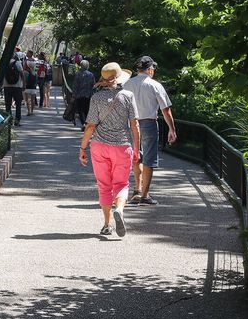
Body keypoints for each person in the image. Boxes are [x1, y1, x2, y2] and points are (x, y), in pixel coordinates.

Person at [79, 62, 140, 237]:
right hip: (122, 146)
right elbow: (134, 125)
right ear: (120, 78)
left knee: (104, 186)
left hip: (99, 146)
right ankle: (119, 210)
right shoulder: (128, 96)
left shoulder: (96, 98)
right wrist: (136, 148)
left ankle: (107, 225)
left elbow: (90, 126)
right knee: (121, 184)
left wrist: (83, 148)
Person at [123, 56, 177, 205]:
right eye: (153, 68)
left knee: (136, 156)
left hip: (131, 124)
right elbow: (166, 110)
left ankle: (137, 189)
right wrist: (172, 130)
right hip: (149, 124)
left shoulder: (127, 84)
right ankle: (145, 195)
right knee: (149, 159)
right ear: (149, 69)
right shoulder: (155, 85)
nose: (153, 70)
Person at [2, 54, 24, 125]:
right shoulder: (18, 63)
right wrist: (24, 84)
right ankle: (17, 120)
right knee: (18, 104)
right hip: (17, 87)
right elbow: (22, 74)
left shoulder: (4, 63)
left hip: (7, 86)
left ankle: (9, 121)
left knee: (8, 104)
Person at [73, 60, 95, 127]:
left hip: (79, 95)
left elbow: (75, 85)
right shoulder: (91, 75)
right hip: (88, 95)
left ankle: (83, 123)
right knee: (87, 110)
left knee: (80, 110)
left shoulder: (78, 74)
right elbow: (93, 85)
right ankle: (86, 123)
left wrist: (74, 95)